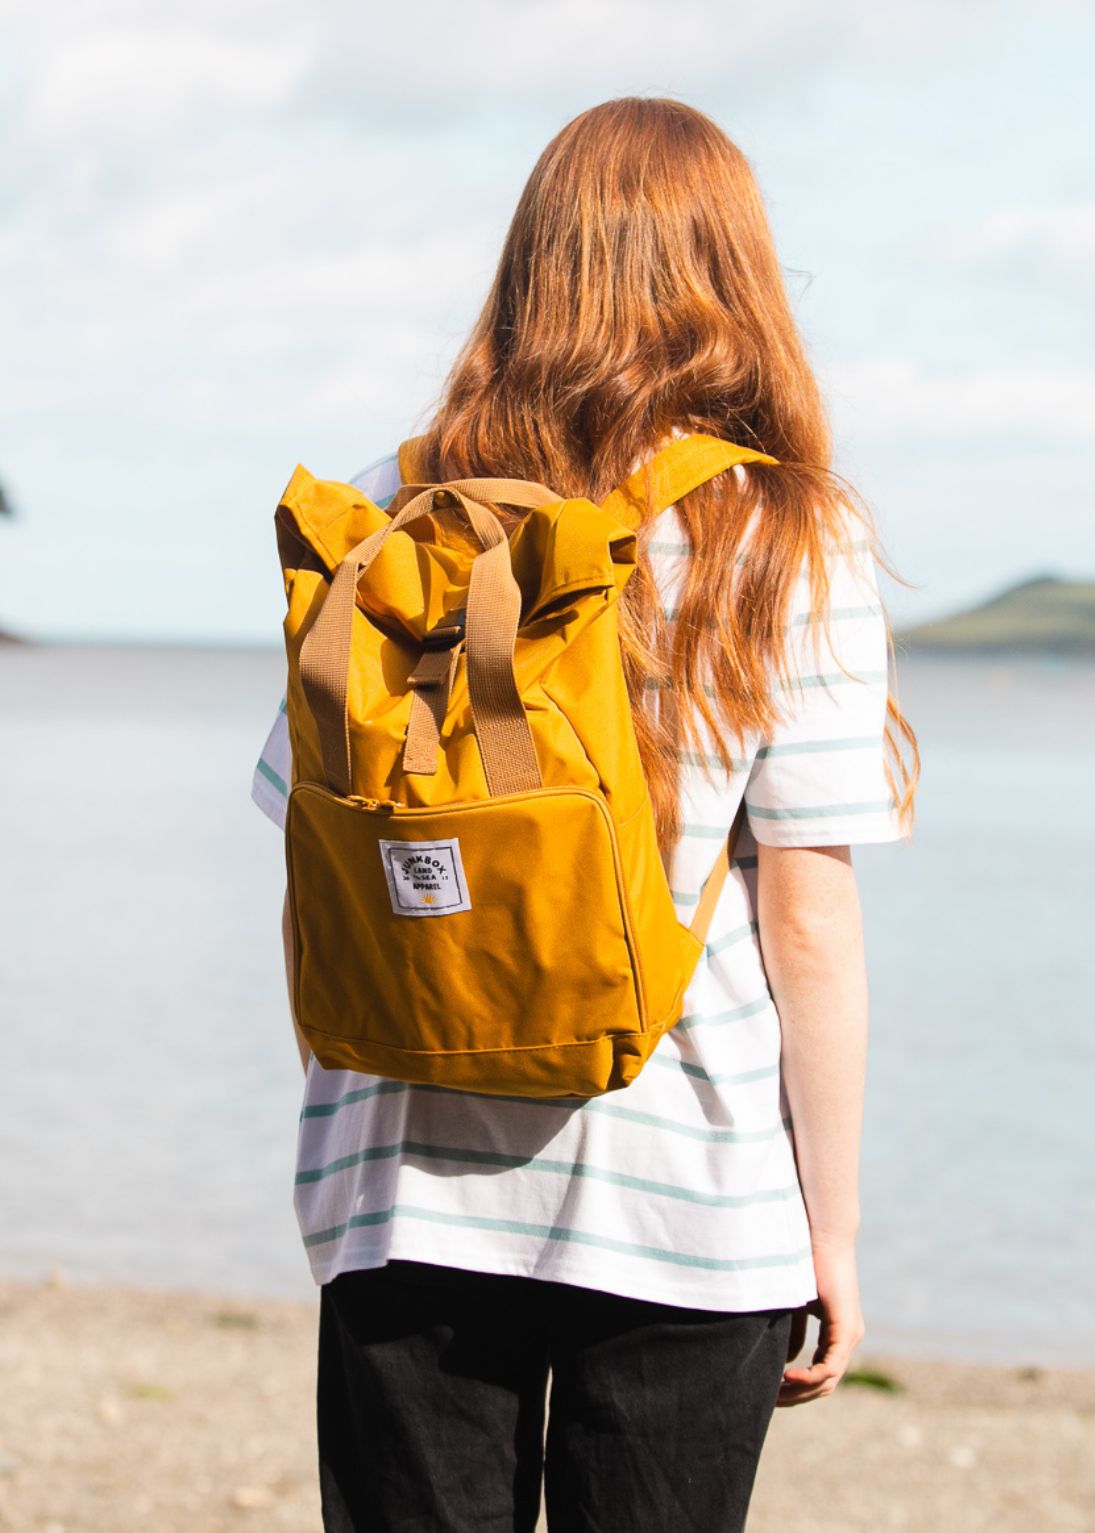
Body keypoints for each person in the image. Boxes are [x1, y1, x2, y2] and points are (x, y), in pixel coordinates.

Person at [251, 96, 919, 1533]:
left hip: (402, 1185)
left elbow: (314, 845)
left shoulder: (389, 509)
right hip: (687, 1195)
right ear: (737, 273)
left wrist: (339, 1134)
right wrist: (834, 1229)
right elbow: (809, 920)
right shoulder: (783, 533)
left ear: (532, 263)